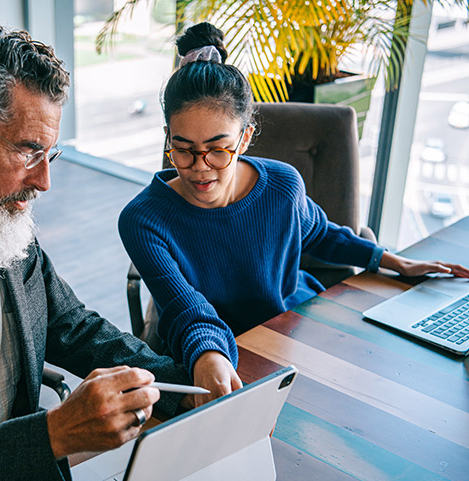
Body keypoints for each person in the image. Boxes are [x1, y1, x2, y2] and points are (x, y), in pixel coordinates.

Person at [0, 21, 192, 481]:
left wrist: (185, 386)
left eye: (49, 152)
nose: (45, 180)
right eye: (28, 150)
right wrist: (55, 434)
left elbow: (73, 326)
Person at [119, 22, 469, 407]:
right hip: (206, 353)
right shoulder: (142, 219)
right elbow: (186, 305)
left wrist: (394, 261)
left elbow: (320, 233)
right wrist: (209, 354)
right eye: (182, 149)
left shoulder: (283, 185)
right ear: (168, 136)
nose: (200, 168)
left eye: (218, 150)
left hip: (290, 329)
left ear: (246, 137)